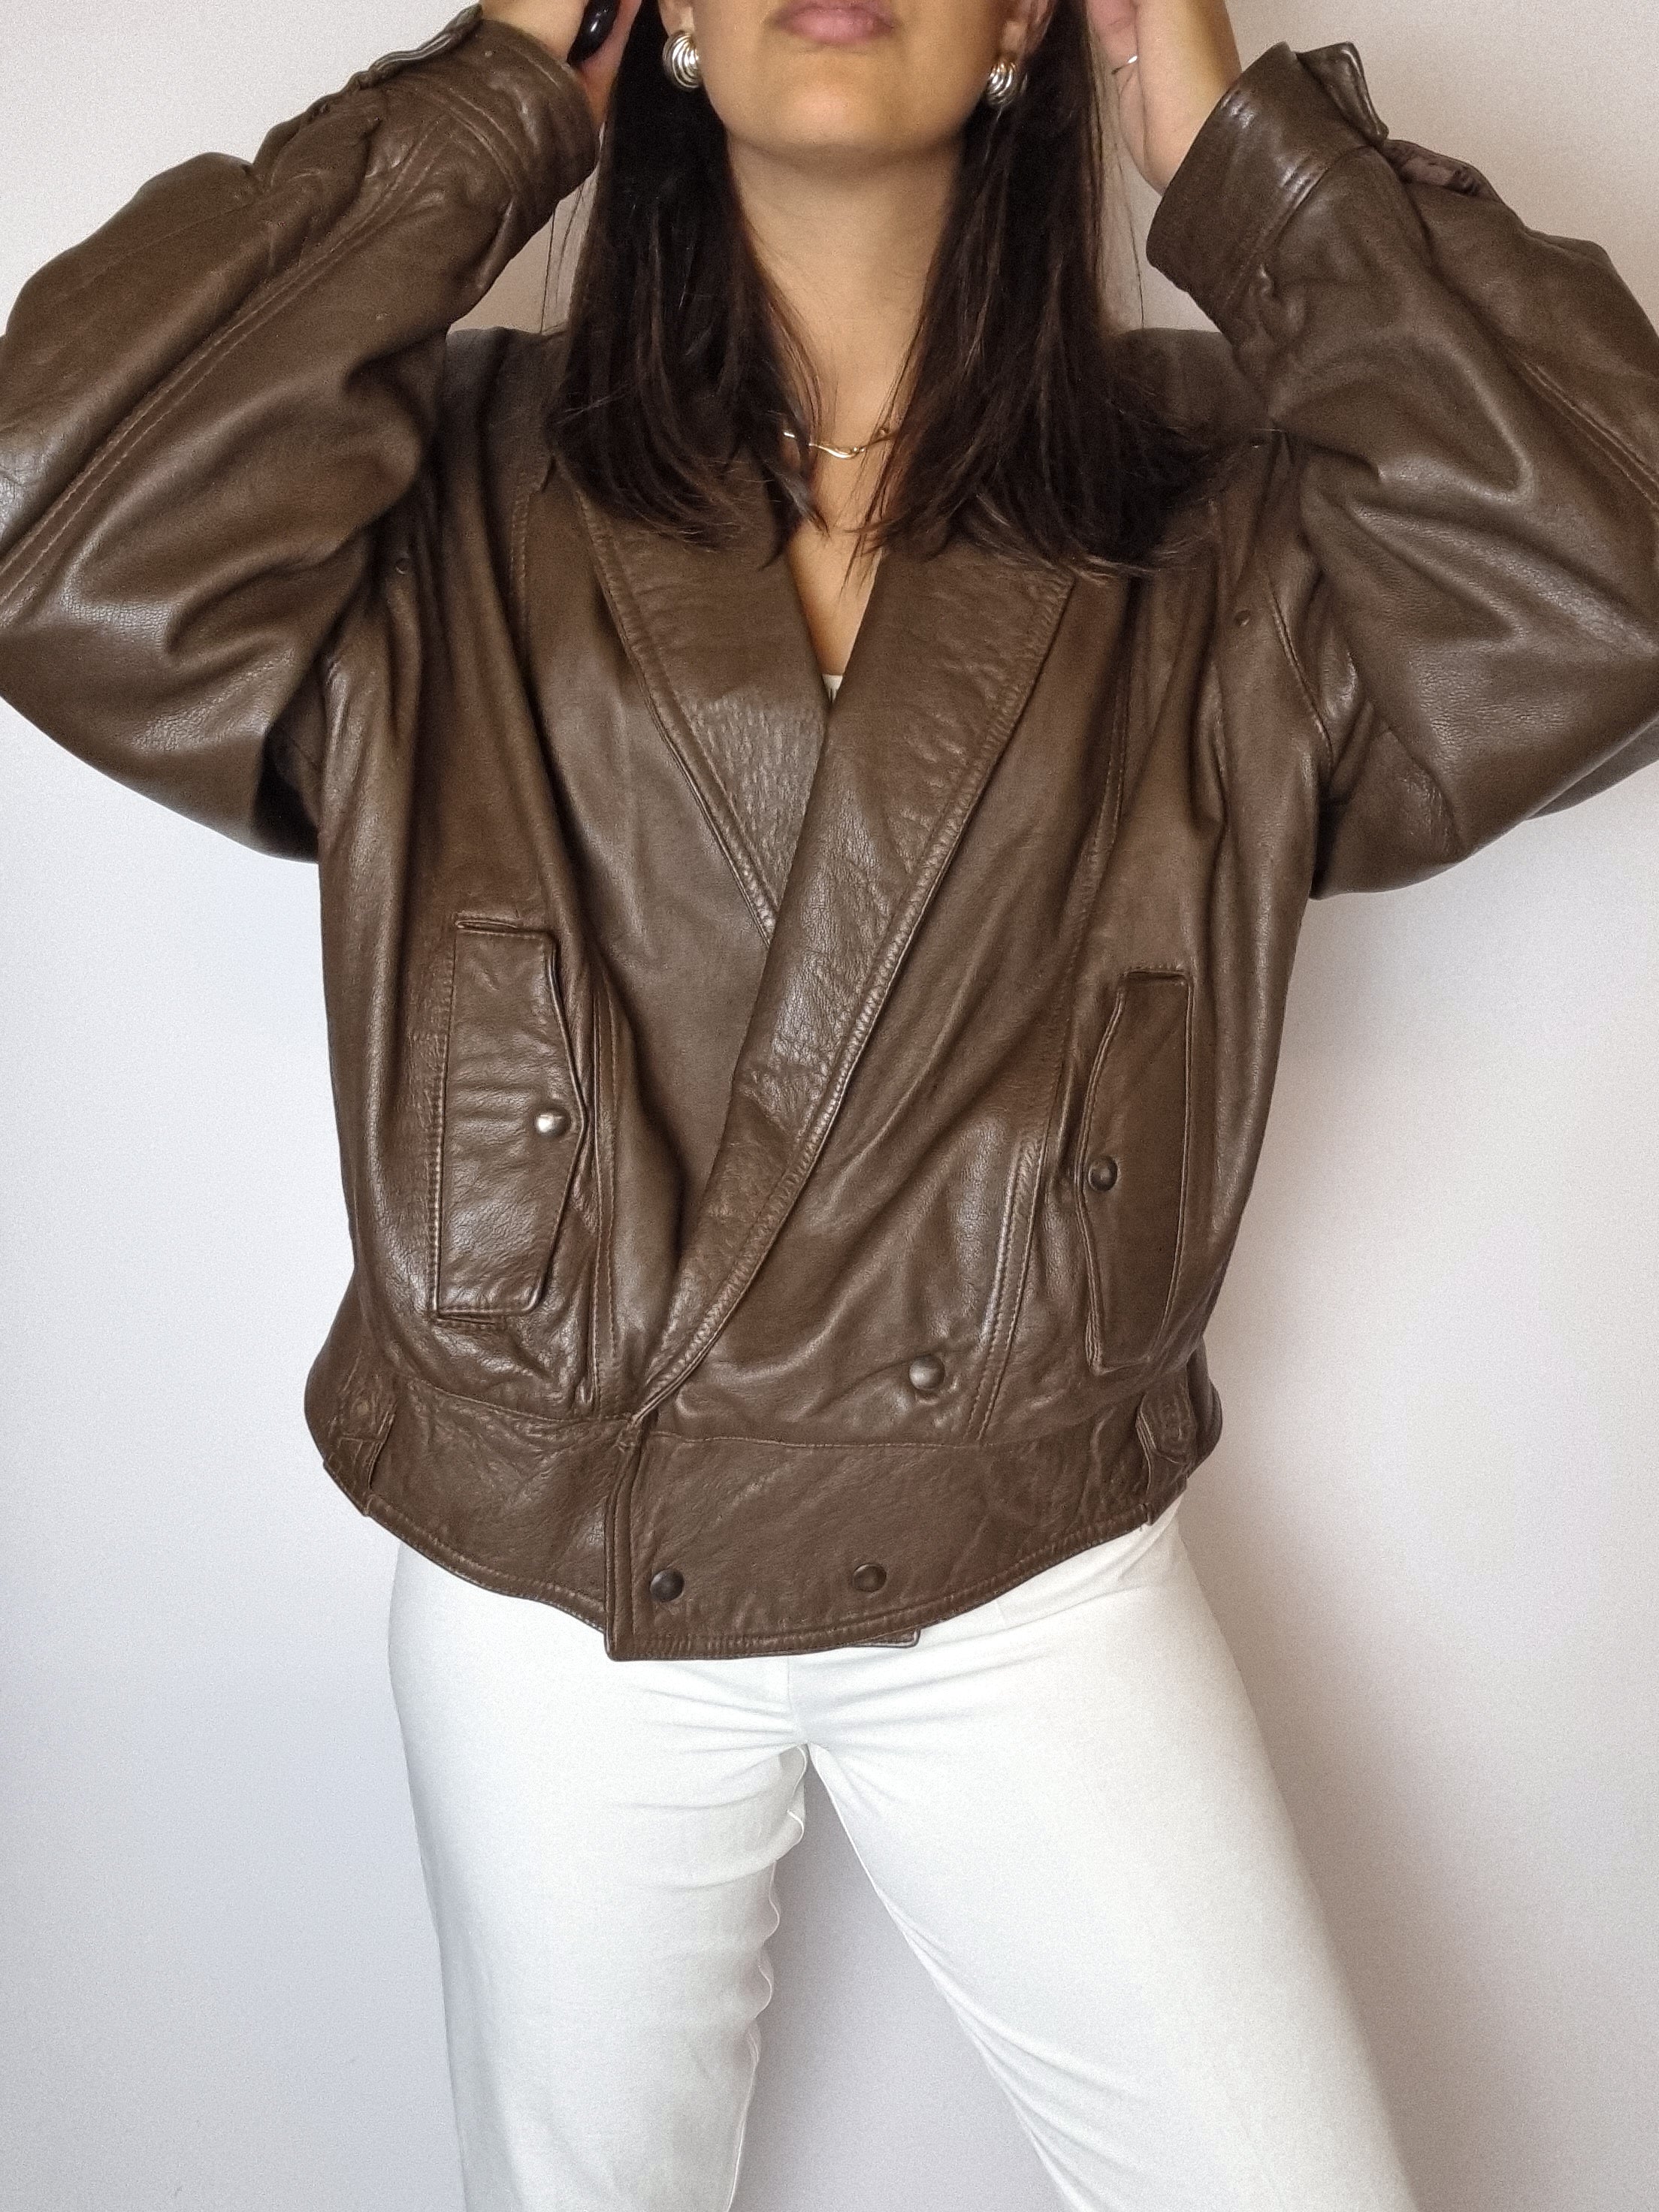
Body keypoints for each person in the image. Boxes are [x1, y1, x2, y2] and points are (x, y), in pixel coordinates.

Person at [2, 1, 1656, 2207]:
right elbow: (50, 535)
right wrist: (482, 103)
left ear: (1041, 19)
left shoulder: (1223, 511)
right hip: (559, 1575)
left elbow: (1616, 590)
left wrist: (1256, 160)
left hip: (1027, 1570)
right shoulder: (431, 487)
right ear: (658, 13)